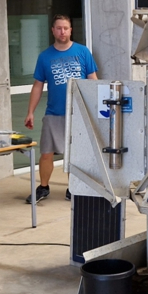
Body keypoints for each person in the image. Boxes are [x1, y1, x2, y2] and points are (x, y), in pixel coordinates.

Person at [24, 14, 98, 203]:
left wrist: (96, 108)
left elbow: (93, 81)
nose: (62, 31)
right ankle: (43, 187)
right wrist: (30, 112)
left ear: (71, 30)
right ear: (53, 30)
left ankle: (73, 188)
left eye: (65, 28)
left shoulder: (83, 52)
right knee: (46, 152)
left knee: (76, 154)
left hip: (79, 113)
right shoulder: (45, 56)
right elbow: (38, 86)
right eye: (58, 28)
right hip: (54, 113)